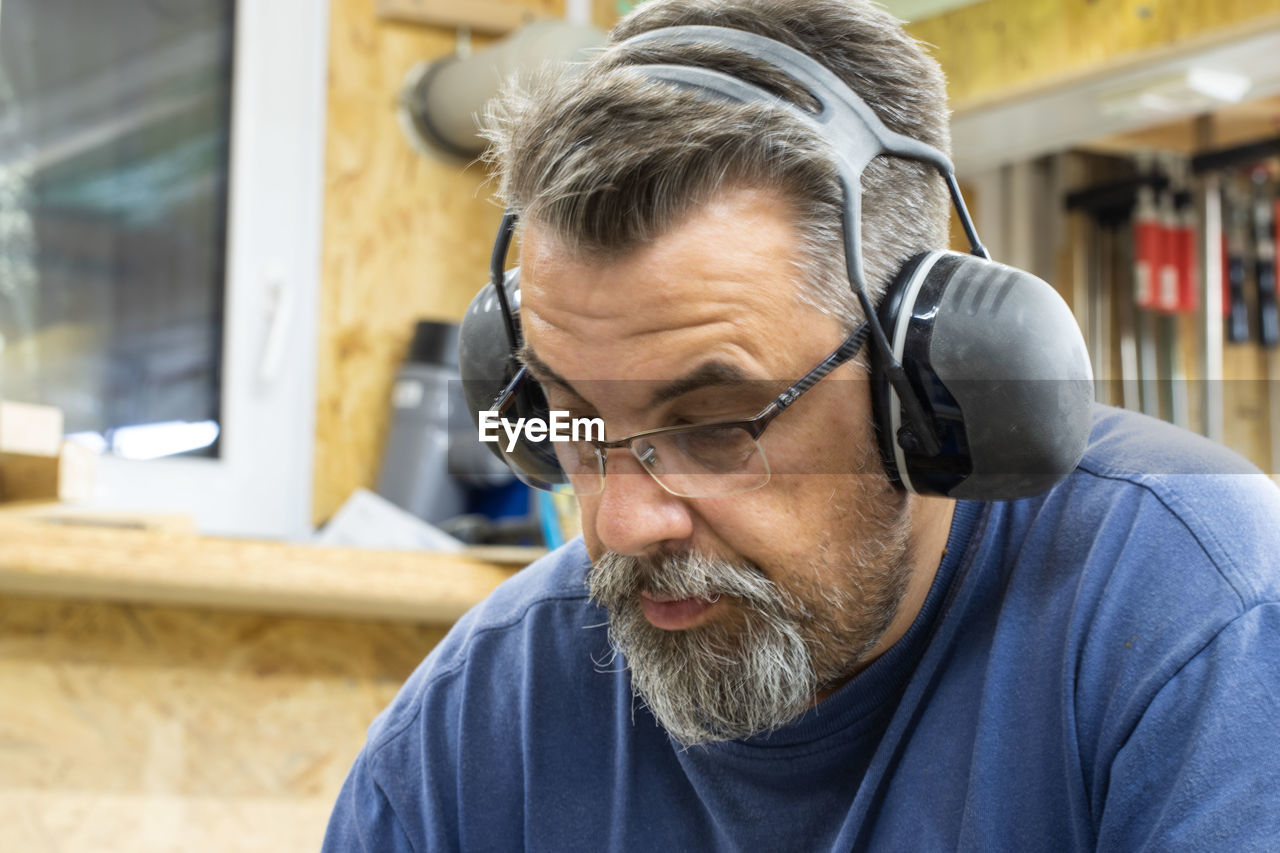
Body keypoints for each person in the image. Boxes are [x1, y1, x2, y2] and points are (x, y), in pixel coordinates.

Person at [323, 1, 1280, 849]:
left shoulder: (1195, 609)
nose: (619, 524)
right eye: (573, 418)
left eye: (715, 425)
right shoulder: (477, 724)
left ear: (925, 389)